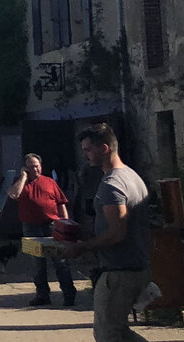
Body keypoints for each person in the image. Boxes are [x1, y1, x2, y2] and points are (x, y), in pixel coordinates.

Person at [65, 123, 151, 342]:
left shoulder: (112, 184)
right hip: (135, 267)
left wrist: (83, 247)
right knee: (119, 331)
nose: (85, 155)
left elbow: (117, 233)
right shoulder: (132, 176)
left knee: (107, 334)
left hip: (119, 271)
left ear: (104, 148)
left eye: (88, 149)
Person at [7, 153, 76, 306]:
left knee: (60, 261)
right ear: (25, 168)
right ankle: (42, 295)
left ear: (41, 166)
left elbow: (61, 203)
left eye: (37, 165)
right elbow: (13, 194)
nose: (35, 169)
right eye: (31, 166)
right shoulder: (21, 184)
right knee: (37, 264)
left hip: (51, 225)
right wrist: (24, 177)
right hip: (31, 228)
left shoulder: (50, 182)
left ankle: (69, 294)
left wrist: (64, 225)